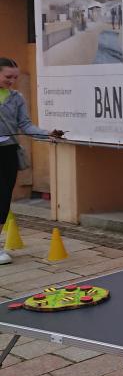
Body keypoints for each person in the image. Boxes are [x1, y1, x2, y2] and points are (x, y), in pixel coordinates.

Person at [0, 58, 64, 265]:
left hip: (7, 153)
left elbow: (25, 125)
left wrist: (47, 134)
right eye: (8, 77)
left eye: (15, 77)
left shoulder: (16, 98)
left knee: (2, 199)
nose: (12, 81)